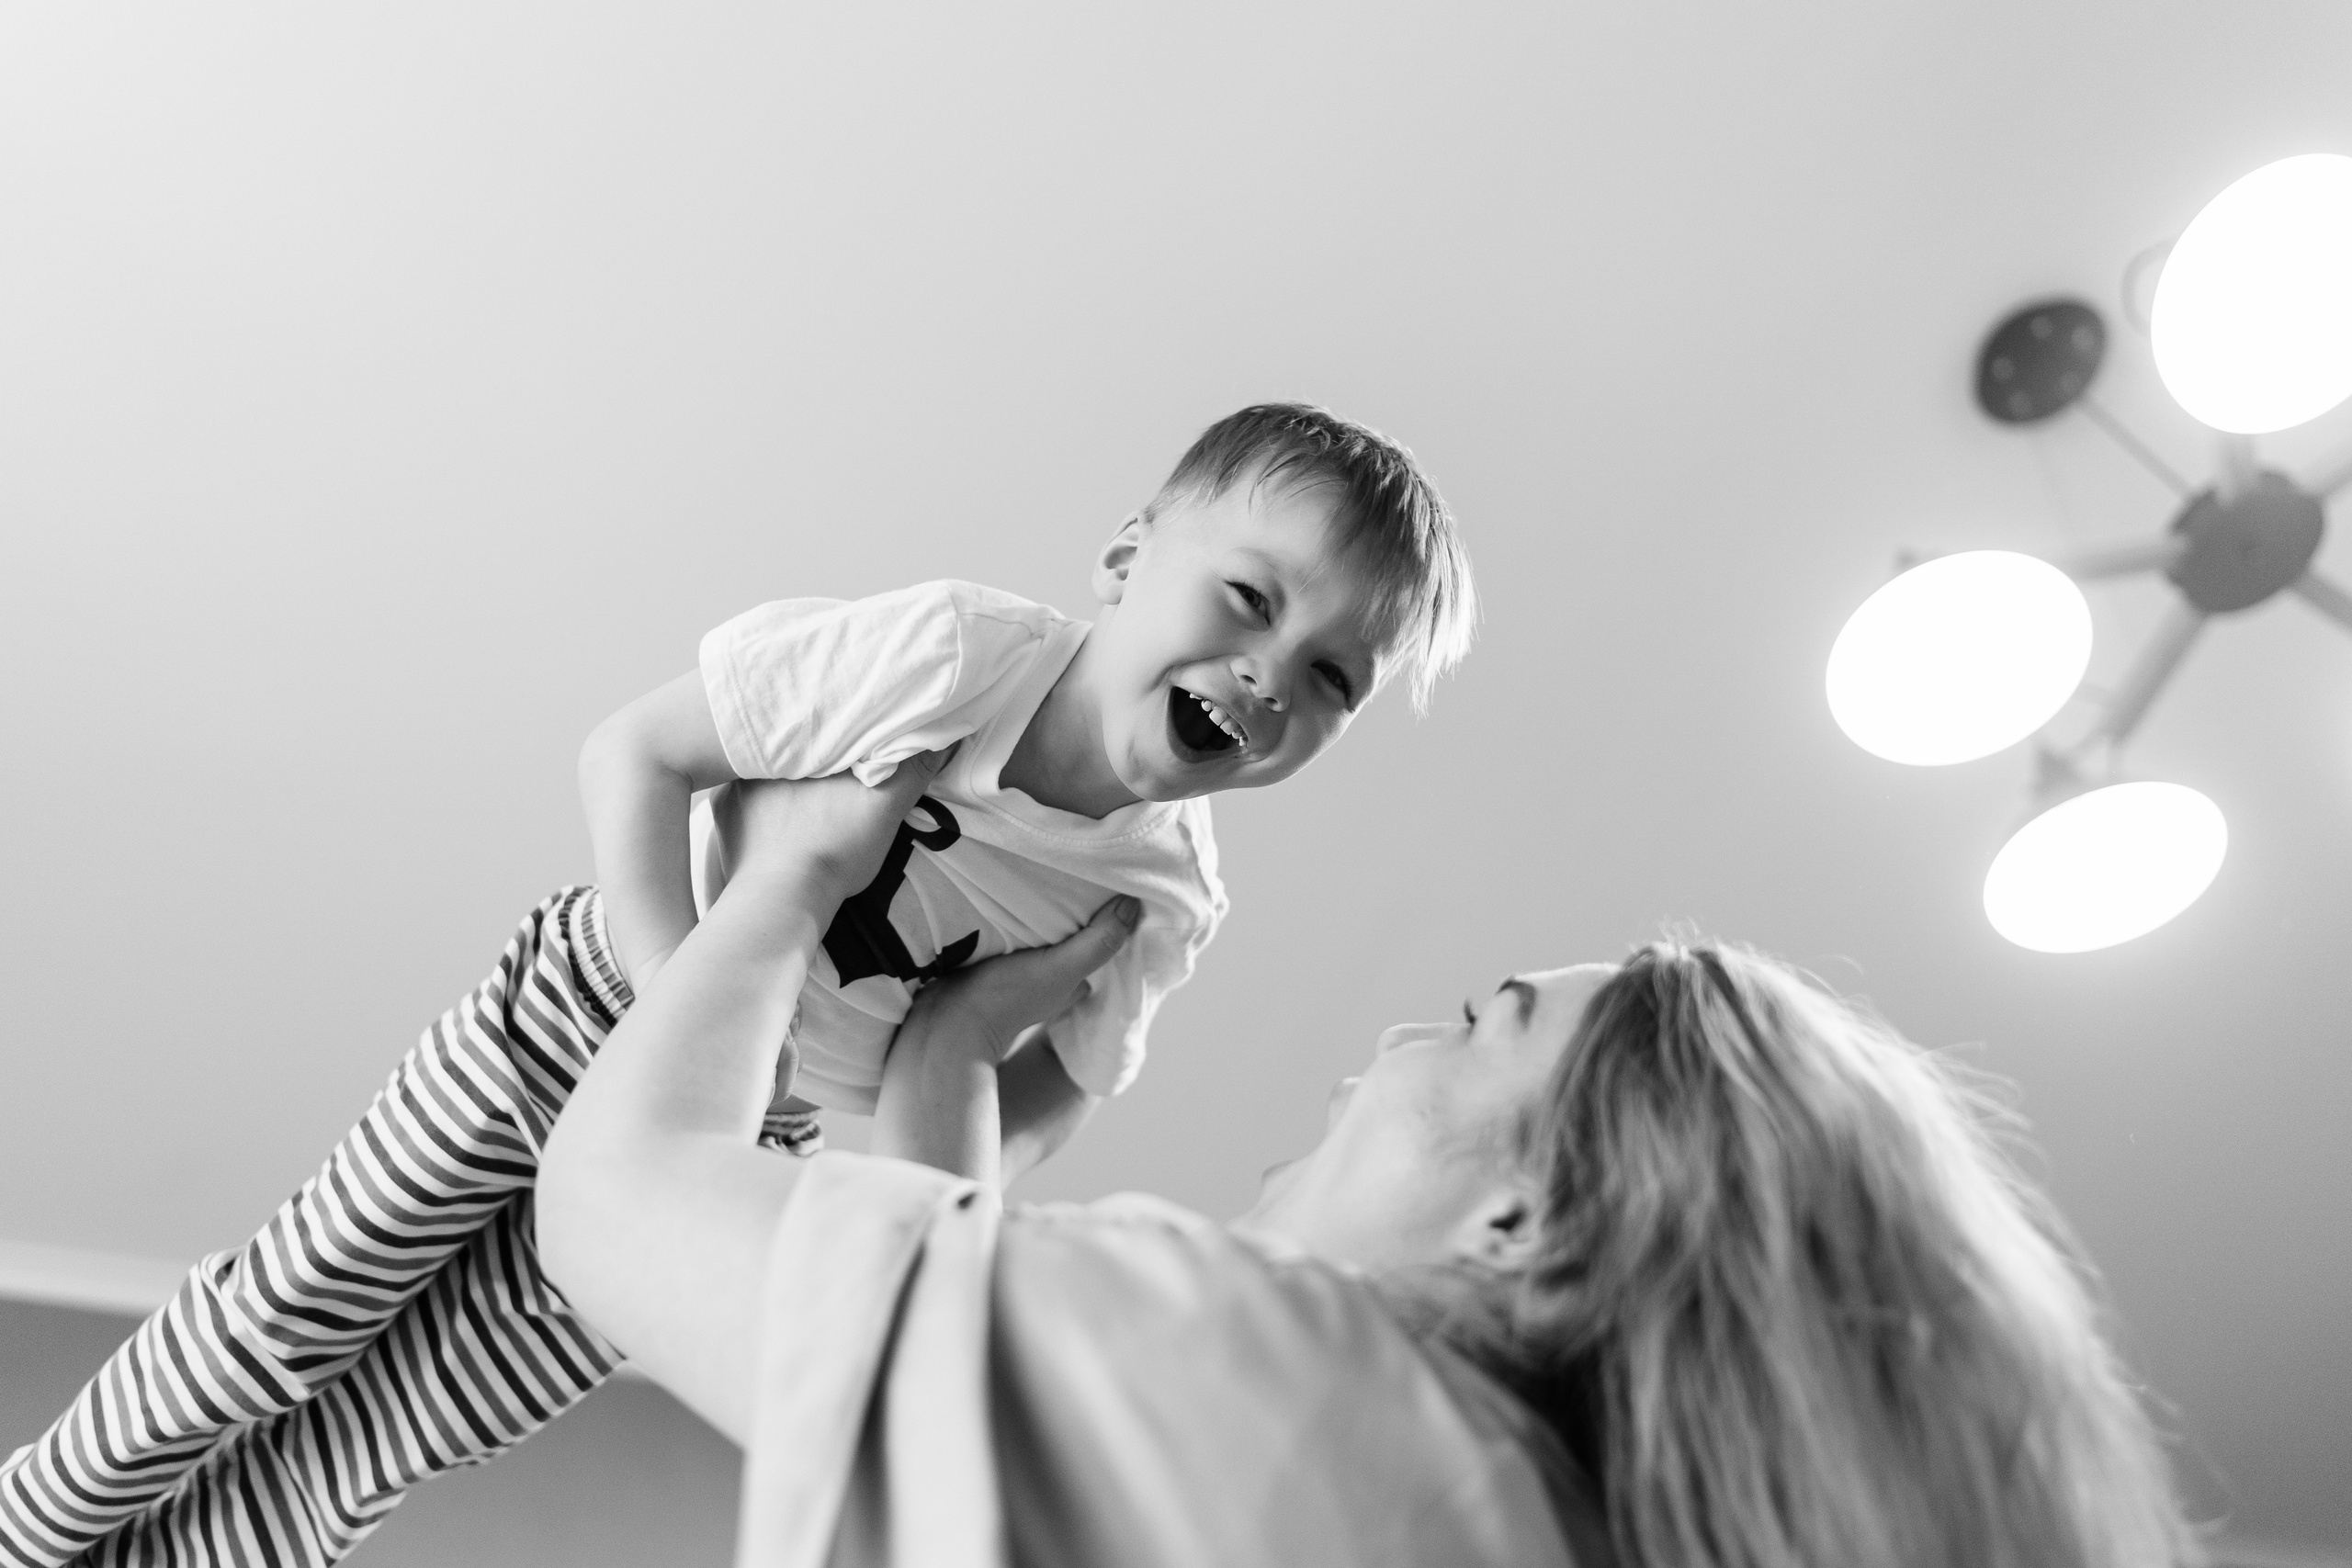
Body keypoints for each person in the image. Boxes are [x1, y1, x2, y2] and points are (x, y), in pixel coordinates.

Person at [0, 404, 1477, 1568]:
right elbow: (636, 756)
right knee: (293, 1312)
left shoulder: (1161, 897)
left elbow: (1061, 1093)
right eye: (1249, 597)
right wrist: (671, 1012)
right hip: (577, 1021)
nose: (1272, 674)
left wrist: (902, 1168)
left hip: (731, 1155)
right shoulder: (952, 659)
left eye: (1333, 677)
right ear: (1122, 561)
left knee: (393, 1436)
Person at [528, 761, 2198, 1568]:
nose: (1385, 1045)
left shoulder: (1285, 1371)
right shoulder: (1502, 1518)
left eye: (1476, 1024)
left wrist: (793, 878)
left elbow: (619, 1198)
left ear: (1534, 1217)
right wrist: (953, 1068)